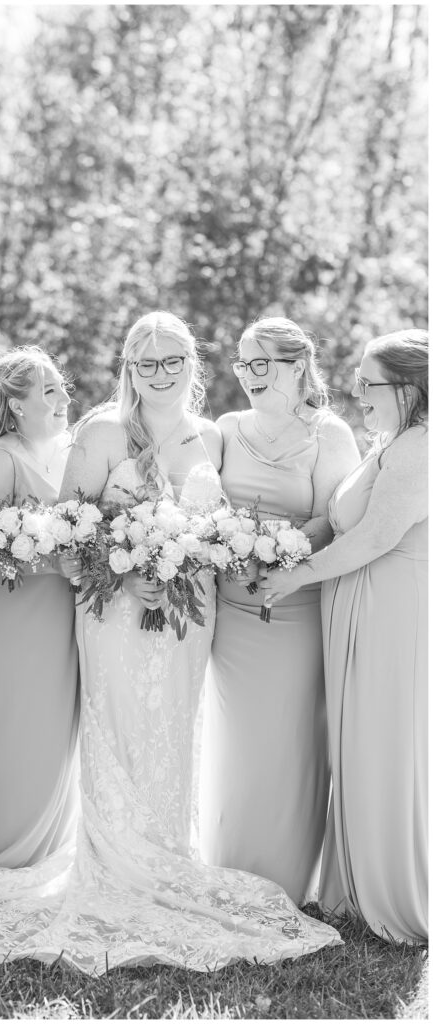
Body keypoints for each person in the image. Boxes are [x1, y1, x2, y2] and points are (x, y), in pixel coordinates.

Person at [0, 312, 341, 974]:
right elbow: (70, 523)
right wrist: (128, 565)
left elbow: (214, 523)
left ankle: (167, 850)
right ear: (127, 369)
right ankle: (109, 858)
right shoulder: (99, 429)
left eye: (174, 361)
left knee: (174, 731)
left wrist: (181, 559)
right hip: (112, 608)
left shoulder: (212, 438)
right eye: (147, 363)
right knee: (115, 732)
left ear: (192, 365)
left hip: (187, 612)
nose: (161, 374)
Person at [261, 329, 428, 944]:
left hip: (390, 612)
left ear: (409, 388)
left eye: (369, 383)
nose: (358, 393)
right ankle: (355, 886)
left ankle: (395, 893)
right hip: (360, 602)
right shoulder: (393, 442)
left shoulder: (419, 449)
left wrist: (291, 579)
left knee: (383, 742)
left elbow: (371, 539)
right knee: (356, 739)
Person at [198, 316, 360, 905]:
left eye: (261, 363)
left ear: (297, 365)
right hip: (232, 611)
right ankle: (229, 869)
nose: (249, 376)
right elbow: (201, 500)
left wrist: (282, 554)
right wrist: (227, 543)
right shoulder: (227, 427)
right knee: (236, 741)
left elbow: (328, 520)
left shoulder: (330, 433)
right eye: (243, 364)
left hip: (297, 609)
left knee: (288, 741)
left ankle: (285, 882)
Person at [0, 346, 80, 867]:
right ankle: (7, 852)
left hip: (62, 616)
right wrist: (47, 567)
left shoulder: (65, 453)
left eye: (61, 389)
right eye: (49, 390)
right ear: (15, 404)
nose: (63, 400)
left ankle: (50, 850)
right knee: (17, 728)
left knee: (55, 733)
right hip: (18, 619)